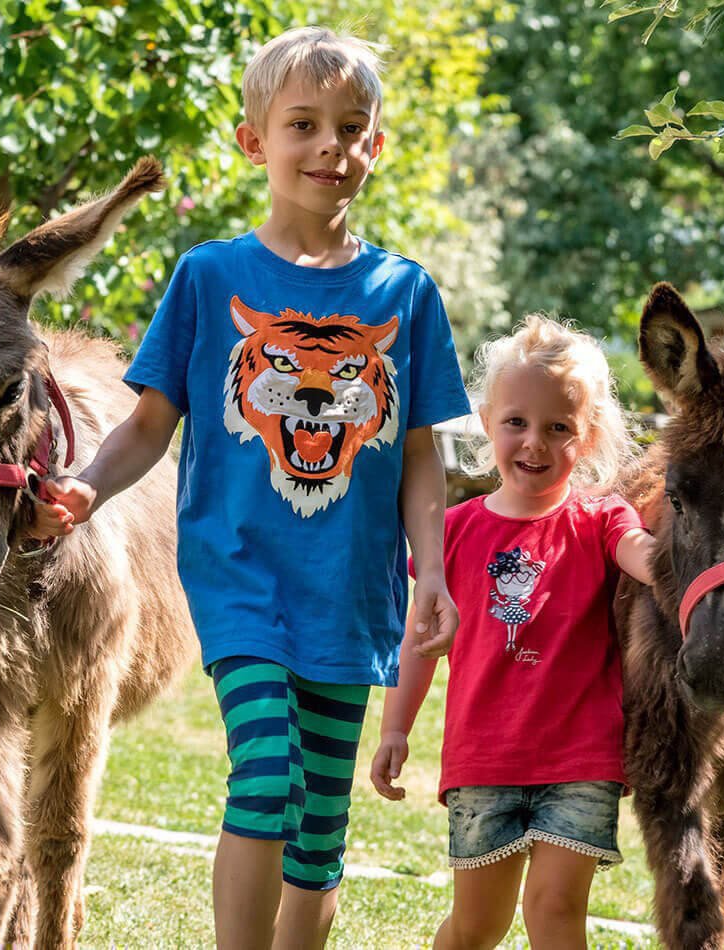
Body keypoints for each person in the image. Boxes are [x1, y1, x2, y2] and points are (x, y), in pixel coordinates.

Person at [27, 26, 469, 949]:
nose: (329, 147)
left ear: (376, 148)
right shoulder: (208, 276)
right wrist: (83, 490)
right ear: (253, 141)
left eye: (352, 128)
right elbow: (151, 422)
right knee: (266, 776)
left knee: (320, 825)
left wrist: (432, 571)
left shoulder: (406, 291)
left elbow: (421, 453)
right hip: (240, 580)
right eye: (302, 124)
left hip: (353, 590)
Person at [369, 315, 656, 949]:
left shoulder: (603, 518)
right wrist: (395, 729)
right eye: (517, 423)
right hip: (484, 759)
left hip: (581, 758)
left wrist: (679, 559)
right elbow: (421, 638)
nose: (536, 443)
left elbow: (643, 552)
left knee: (555, 911)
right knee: (477, 927)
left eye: (560, 429)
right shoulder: (453, 531)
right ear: (486, 421)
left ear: (590, 436)